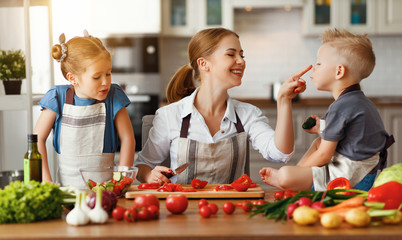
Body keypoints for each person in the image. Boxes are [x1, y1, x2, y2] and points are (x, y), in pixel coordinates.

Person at [135, 27, 311, 185]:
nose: (241, 61)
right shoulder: (170, 115)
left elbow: (281, 153)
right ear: (204, 64)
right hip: (182, 210)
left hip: (232, 212)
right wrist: (151, 176)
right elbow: (142, 166)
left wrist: (284, 100)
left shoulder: (247, 115)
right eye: (231, 54)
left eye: (241, 55)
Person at [260, 28, 394, 191]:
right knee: (318, 142)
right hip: (364, 173)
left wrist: (293, 173)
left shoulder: (340, 107)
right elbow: (352, 139)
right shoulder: (360, 102)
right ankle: (297, 177)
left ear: (339, 71)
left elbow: (325, 155)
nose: (314, 68)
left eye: (318, 63)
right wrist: (322, 129)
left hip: (350, 177)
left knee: (285, 174)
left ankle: (292, 178)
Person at [34, 31, 135, 189]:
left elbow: (128, 138)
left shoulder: (114, 96)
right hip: (68, 192)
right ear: (72, 78)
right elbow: (37, 139)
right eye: (97, 77)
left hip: (108, 191)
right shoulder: (57, 97)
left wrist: (121, 180)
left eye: (108, 73)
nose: (105, 82)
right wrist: (47, 181)